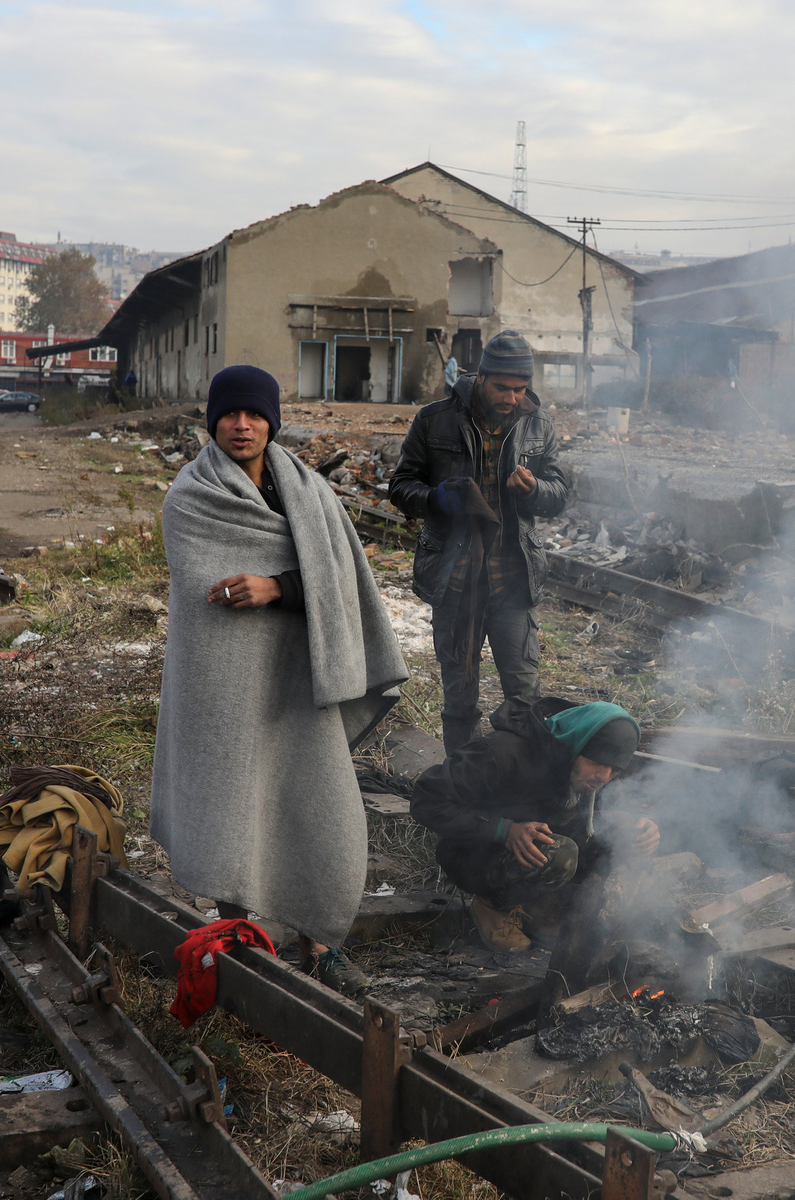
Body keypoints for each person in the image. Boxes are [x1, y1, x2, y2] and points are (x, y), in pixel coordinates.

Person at [150, 364, 408, 996]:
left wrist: (276, 587)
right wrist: (267, 587)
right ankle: (234, 933)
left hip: (300, 676)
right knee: (230, 801)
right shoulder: (191, 497)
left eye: (256, 414)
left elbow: (340, 579)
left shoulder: (309, 492)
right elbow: (200, 585)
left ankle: (319, 943)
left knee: (312, 799)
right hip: (224, 684)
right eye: (231, 415)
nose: (243, 425)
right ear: (212, 422)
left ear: (272, 421)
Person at [390, 330, 568, 751]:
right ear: (482, 378)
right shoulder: (435, 419)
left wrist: (534, 490)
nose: (511, 398)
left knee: (524, 699)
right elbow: (400, 486)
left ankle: (516, 788)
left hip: (512, 583)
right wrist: (438, 499)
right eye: (503, 388)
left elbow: (559, 493)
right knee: (460, 700)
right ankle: (462, 791)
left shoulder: (538, 424)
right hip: (456, 582)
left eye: (520, 389)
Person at [409, 696, 658, 952]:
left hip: (539, 841)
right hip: (474, 852)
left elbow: (600, 808)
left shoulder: (589, 769)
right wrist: (503, 830)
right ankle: (494, 905)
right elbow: (426, 800)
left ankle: (545, 908)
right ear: (577, 742)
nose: (604, 777)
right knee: (560, 853)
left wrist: (635, 823)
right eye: (596, 763)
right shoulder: (502, 753)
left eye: (614, 771)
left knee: (623, 834)